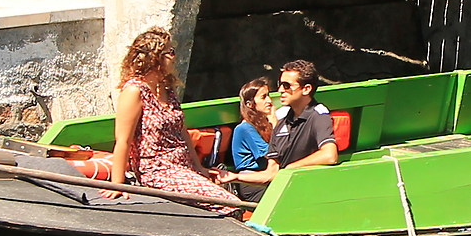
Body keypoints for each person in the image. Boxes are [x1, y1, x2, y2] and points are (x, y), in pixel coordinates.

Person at [103, 27, 240, 205]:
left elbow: (181, 131)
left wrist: (198, 168)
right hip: (157, 170)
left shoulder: (167, 89)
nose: (175, 57)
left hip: (183, 166)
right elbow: (123, 140)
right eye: (170, 52)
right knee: (226, 202)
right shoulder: (134, 91)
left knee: (227, 195)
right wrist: (118, 184)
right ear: (155, 57)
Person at [225, 58, 340, 203]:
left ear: (306, 89)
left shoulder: (318, 114)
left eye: (287, 86)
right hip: (284, 189)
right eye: (280, 85)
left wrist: (290, 168)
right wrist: (235, 177)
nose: (280, 91)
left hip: (307, 188)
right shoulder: (281, 123)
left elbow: (329, 155)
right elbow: (271, 173)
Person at [228, 77, 275, 171]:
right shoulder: (245, 128)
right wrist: (275, 124)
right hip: (251, 178)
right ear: (250, 104)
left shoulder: (265, 124)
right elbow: (271, 153)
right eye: (263, 97)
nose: (269, 101)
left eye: (268, 95)